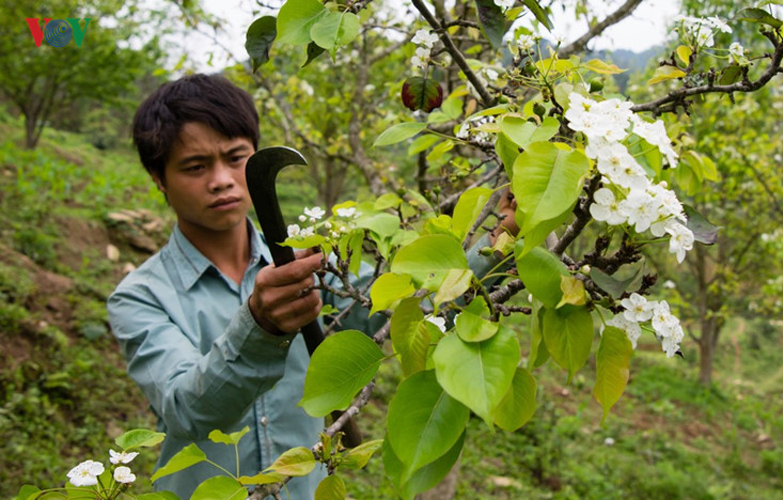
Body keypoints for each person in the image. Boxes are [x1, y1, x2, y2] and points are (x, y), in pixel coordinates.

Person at [107, 73, 515, 500]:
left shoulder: (314, 264)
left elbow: (411, 306)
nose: (222, 179)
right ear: (159, 178)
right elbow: (185, 410)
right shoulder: (141, 297)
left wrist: (500, 241)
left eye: (235, 158)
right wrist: (260, 327)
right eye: (195, 166)